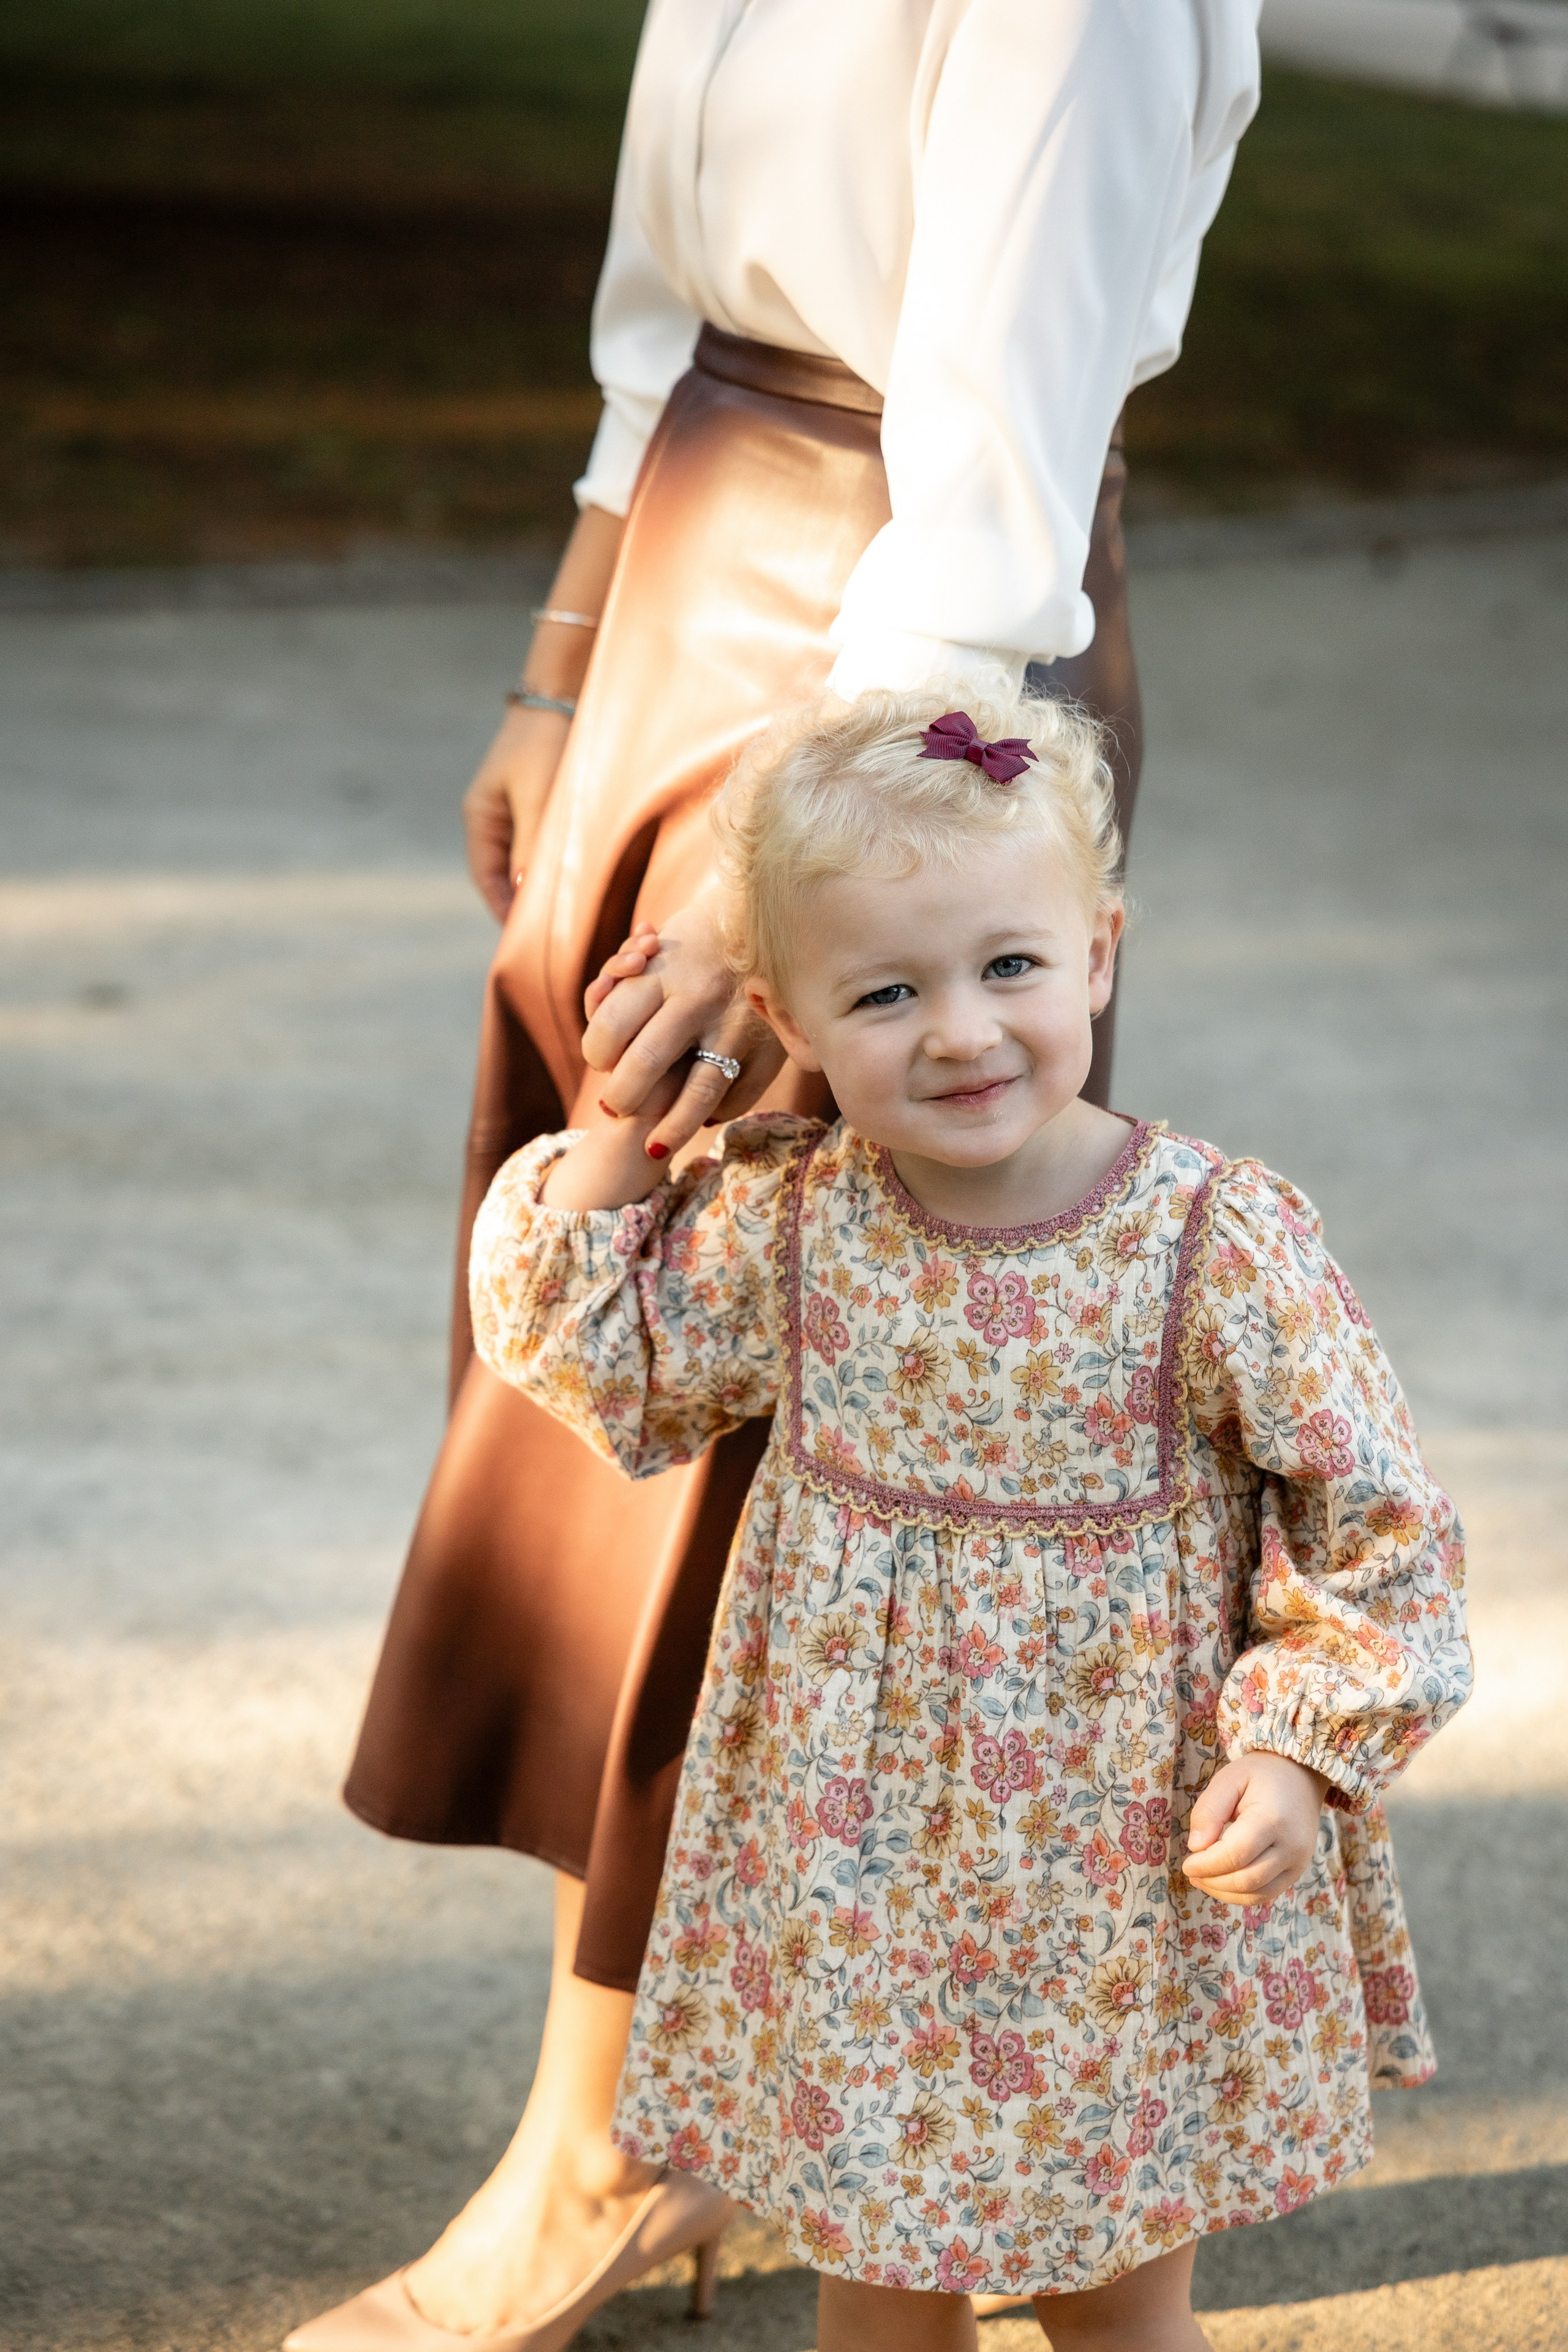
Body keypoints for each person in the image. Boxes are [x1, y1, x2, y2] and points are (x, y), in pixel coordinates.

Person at [301, 6, 1268, 2344]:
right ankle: (682, 2113)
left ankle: (609, 2153)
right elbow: (678, 311)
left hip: (884, 679)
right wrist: (565, 660)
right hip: (685, 597)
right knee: (595, 1365)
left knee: (783, 1434)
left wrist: (774, 867)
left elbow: (1002, 477)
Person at [464, 690, 1470, 2350]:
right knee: (883, 2290)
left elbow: (1376, 1524)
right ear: (786, 1011)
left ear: (1101, 951)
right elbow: (597, 1356)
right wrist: (615, 1125)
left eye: (1010, 966)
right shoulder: (798, 1219)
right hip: (861, 1871)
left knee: (1112, 2307)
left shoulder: (1215, 1238)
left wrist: (1296, 1746)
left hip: (1125, 1869)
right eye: (884, 992)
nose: (959, 1033)